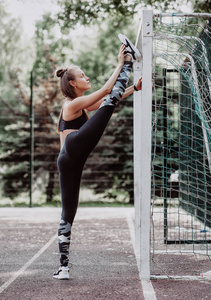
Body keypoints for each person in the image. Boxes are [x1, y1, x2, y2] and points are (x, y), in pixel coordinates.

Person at [53, 34, 142, 280]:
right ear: (72, 84)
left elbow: (105, 99)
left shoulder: (80, 104)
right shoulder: (71, 105)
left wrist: (134, 88)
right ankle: (129, 61)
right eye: (82, 76)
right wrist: (120, 63)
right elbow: (106, 91)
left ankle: (63, 267)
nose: (86, 77)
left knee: (69, 212)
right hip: (72, 149)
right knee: (110, 101)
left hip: (70, 160)